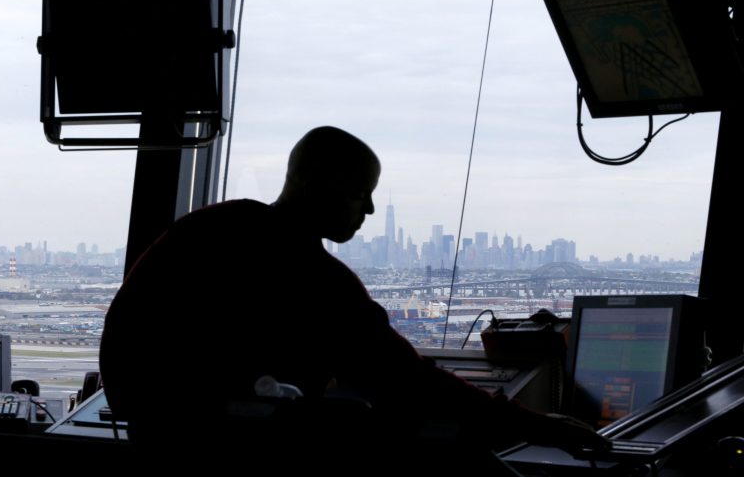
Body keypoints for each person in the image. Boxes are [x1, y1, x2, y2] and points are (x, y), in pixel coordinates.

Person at [99, 126, 607, 469]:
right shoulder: (316, 278)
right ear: (319, 181)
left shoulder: (207, 228)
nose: (366, 208)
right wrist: (535, 425)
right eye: (359, 191)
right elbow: (404, 379)